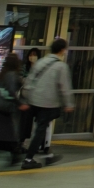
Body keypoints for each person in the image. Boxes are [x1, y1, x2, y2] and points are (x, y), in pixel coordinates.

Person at [20, 37, 73, 167]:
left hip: (33, 101)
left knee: (40, 129)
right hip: (48, 103)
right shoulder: (61, 66)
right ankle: (28, 159)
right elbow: (65, 87)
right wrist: (69, 104)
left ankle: (47, 154)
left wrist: (25, 98)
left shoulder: (40, 62)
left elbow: (29, 80)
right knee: (41, 129)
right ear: (62, 50)